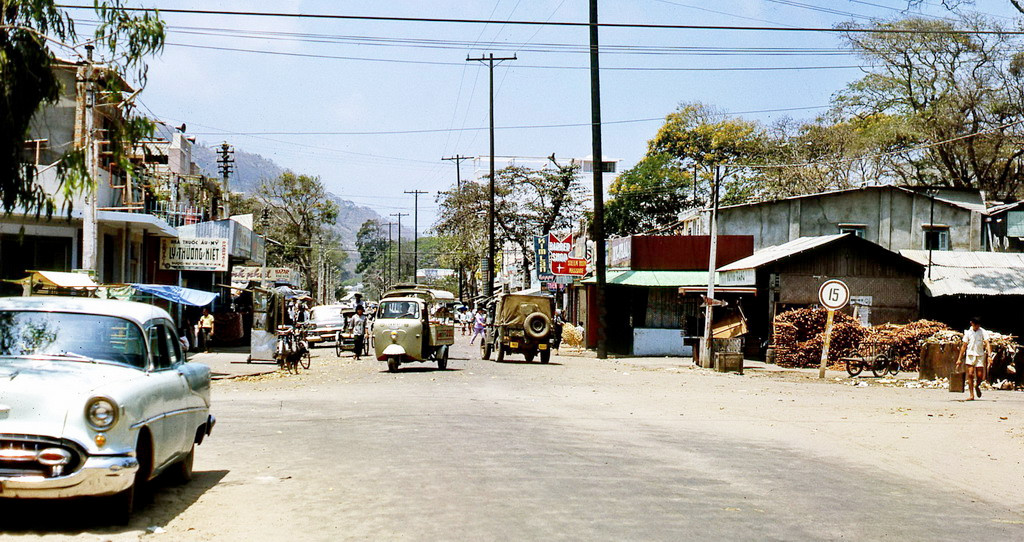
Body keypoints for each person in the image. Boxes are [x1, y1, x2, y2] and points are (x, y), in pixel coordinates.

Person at [957, 316, 992, 401]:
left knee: (980, 376)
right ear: (971, 323)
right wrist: (959, 359)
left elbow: (987, 343)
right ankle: (971, 395)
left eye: (978, 325)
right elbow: (964, 346)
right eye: (975, 325)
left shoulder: (983, 331)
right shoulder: (968, 332)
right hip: (970, 355)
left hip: (980, 355)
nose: (976, 326)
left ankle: (977, 386)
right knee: (970, 374)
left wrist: (989, 356)